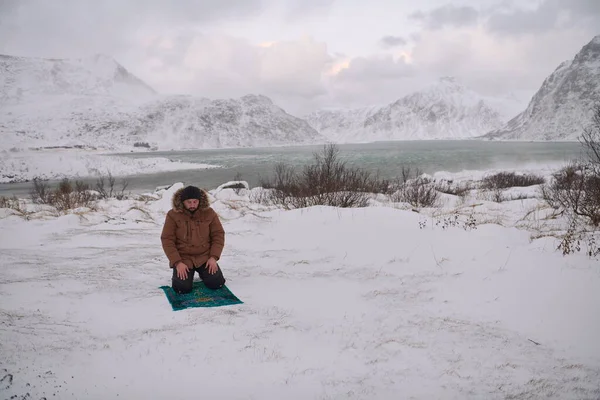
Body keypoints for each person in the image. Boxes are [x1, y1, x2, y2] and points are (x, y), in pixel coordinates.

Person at [160, 185, 226, 294]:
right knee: (182, 289)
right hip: (183, 258)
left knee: (217, 284)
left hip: (205, 256)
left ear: (200, 201)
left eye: (195, 202)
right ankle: (183, 276)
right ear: (182, 202)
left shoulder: (209, 213)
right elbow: (167, 239)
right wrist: (177, 263)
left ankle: (204, 273)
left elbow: (218, 235)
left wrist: (213, 257)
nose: (192, 205)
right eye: (189, 202)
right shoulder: (173, 215)